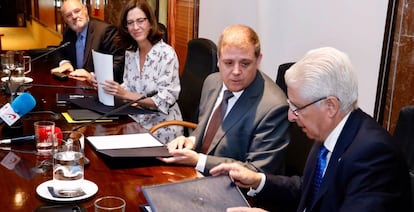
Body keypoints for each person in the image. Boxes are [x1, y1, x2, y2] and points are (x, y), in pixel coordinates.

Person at [210, 47, 411, 212]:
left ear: (330, 106)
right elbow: (310, 190)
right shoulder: (330, 132)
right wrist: (257, 180)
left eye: (296, 107)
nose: (290, 116)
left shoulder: (375, 155)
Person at [159, 25, 290, 176]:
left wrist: (198, 161)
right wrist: (191, 141)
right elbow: (207, 130)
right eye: (228, 63)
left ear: (258, 60)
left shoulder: (273, 107)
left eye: (245, 63)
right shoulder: (212, 82)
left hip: (234, 191)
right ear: (218, 61)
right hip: (194, 175)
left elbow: (256, 172)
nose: (236, 72)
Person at [98, 0, 183, 143]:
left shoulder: (166, 54)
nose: (135, 27)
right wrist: (108, 87)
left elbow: (163, 101)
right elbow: (129, 86)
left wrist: (125, 94)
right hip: (136, 120)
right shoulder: (131, 52)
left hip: (162, 127)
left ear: (150, 22)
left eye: (140, 21)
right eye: (130, 23)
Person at [51, 0, 124, 83]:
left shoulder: (105, 31)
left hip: (101, 89)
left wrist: (92, 76)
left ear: (85, 9)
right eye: (68, 15)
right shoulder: (69, 32)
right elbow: (59, 51)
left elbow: (119, 63)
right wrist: (65, 63)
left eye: (77, 11)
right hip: (78, 86)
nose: (74, 16)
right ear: (65, 20)